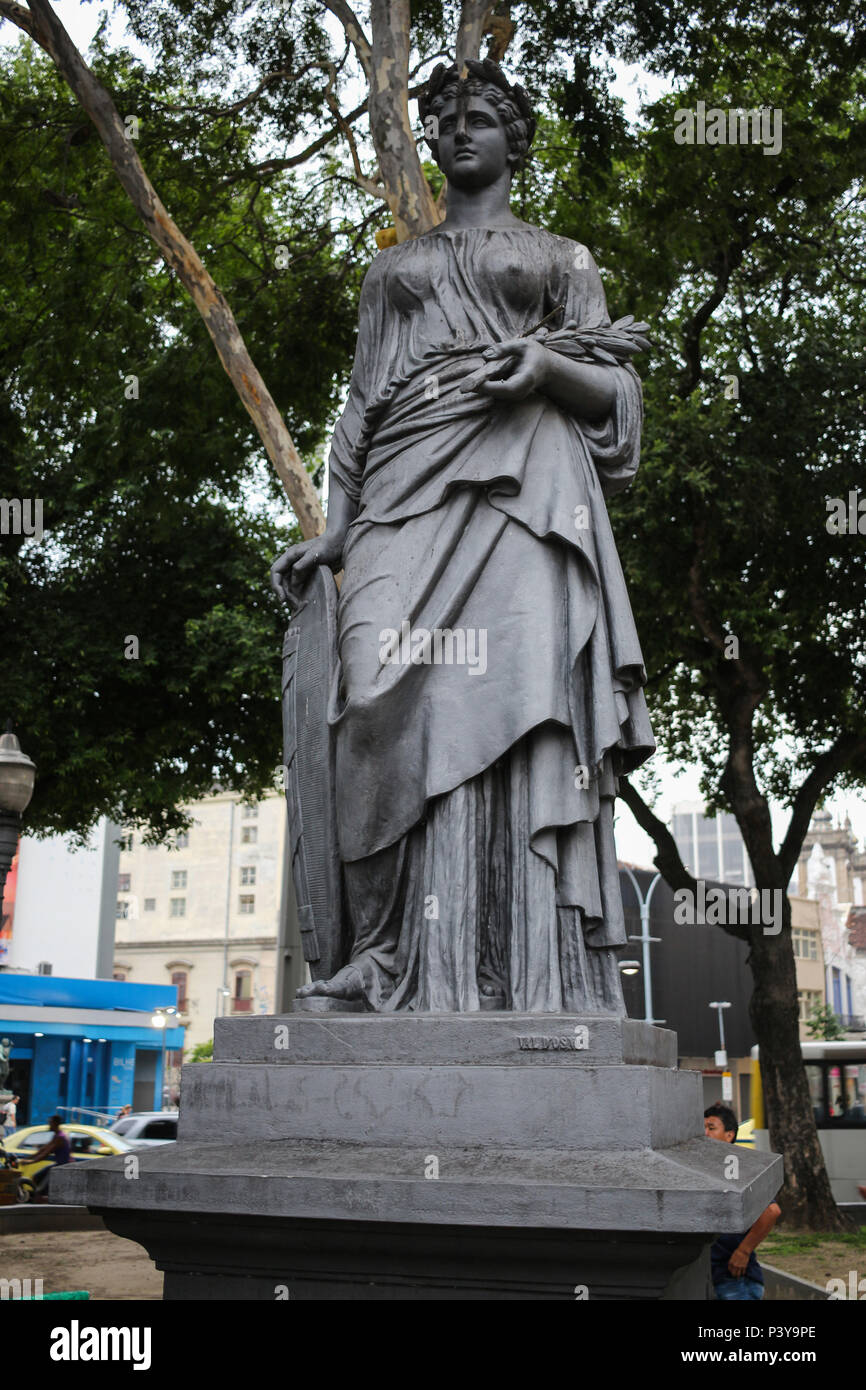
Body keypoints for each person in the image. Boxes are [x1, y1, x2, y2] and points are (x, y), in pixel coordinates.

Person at [271, 57, 654, 1013]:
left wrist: (544, 369)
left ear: (513, 138)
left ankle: (530, 966)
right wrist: (337, 534)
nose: (460, 132)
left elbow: (616, 393)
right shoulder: (391, 271)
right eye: (446, 120)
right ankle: (384, 952)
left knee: (520, 712)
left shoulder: (562, 260)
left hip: (527, 492)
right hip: (404, 493)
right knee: (371, 695)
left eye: (482, 117)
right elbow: (358, 409)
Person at [704, 1102, 781, 1300]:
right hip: (715, 1278)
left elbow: (771, 1212)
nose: (705, 1133)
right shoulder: (706, 1170)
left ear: (729, 1135)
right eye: (702, 1128)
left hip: (737, 1282)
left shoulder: (737, 1168)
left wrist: (743, 1252)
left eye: (711, 1128)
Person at [29, 1115, 72, 1200]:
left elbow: (46, 1153)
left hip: (62, 1167)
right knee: (36, 1177)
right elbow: (44, 1148)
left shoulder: (60, 1137)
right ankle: (44, 1196)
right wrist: (29, 1157)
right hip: (57, 1165)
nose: (49, 1125)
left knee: (40, 1189)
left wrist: (30, 1162)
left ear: (55, 1124)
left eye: (50, 1123)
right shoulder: (56, 1135)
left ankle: (45, 1199)